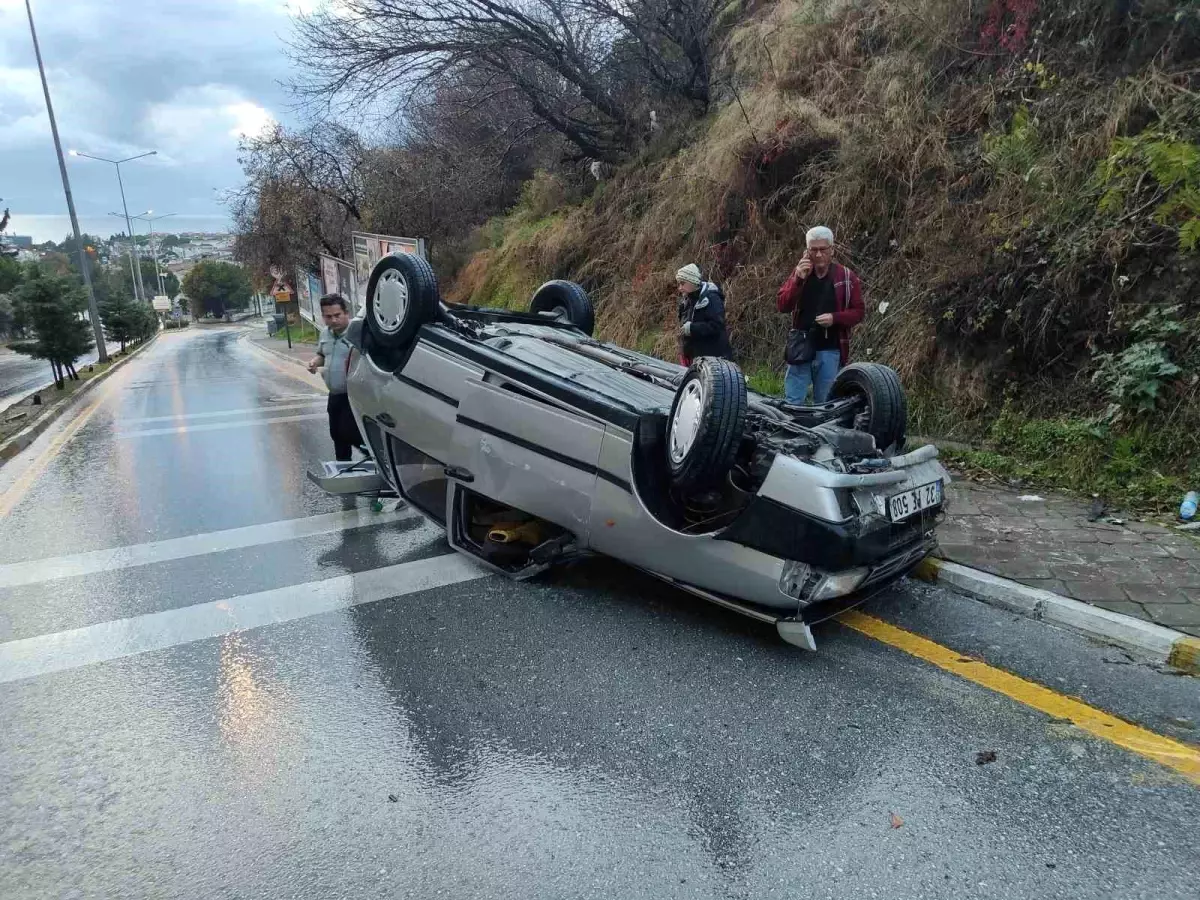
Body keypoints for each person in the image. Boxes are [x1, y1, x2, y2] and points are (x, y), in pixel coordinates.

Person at [775, 226, 864, 405]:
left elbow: (858, 312)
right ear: (807, 251)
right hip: (801, 346)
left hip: (830, 348)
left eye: (823, 249)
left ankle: (820, 431)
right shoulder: (801, 272)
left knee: (825, 402)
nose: (818, 255)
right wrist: (798, 279)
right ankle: (792, 431)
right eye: (813, 250)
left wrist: (835, 318)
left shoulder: (846, 276)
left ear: (832, 250)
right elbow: (782, 305)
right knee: (793, 400)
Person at [307, 294, 364, 461]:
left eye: (337, 315)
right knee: (337, 435)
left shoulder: (358, 332)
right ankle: (343, 469)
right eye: (328, 316)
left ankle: (378, 465)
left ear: (346, 313)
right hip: (335, 394)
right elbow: (321, 354)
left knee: (351, 434)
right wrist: (314, 362)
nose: (333, 320)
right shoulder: (325, 333)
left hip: (354, 396)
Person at [675, 263, 732, 366]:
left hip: (712, 359)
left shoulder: (712, 298)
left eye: (682, 283)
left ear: (693, 281)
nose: (679, 288)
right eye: (679, 284)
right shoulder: (685, 302)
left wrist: (692, 329)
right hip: (691, 358)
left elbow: (717, 326)